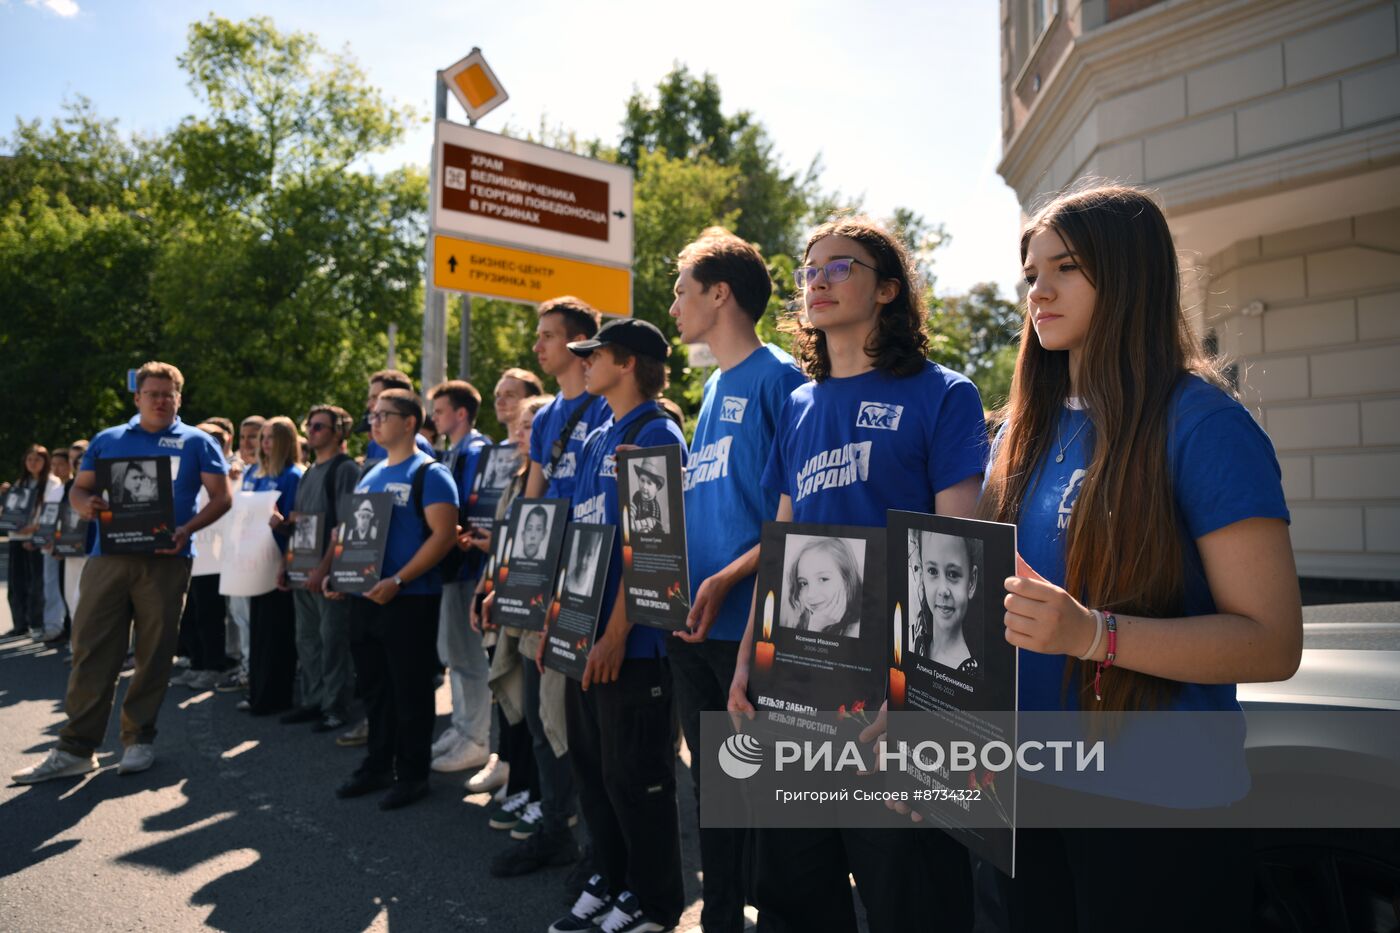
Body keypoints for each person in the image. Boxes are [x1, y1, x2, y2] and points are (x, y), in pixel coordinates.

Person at [975, 184, 1302, 932]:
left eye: (1066, 268)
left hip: (1160, 806)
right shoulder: (1018, 431)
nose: (1039, 290)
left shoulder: (1204, 425)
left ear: (1128, 275)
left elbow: (1272, 639)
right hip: (1025, 793)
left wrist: (1093, 633)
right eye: (1031, 273)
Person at [729, 218, 988, 932]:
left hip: (891, 706)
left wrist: (924, 705)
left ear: (889, 289)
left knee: (912, 901)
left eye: (840, 267)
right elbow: (781, 543)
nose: (817, 279)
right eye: (810, 269)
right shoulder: (800, 404)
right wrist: (750, 660)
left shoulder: (944, 394)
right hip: (800, 695)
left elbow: (958, 554)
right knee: (794, 900)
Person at [668, 227, 807, 933]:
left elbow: (797, 515)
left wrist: (729, 577)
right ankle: (720, 919)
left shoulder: (781, 379)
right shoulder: (715, 382)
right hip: (694, 627)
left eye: (681, 289)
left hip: (750, 631)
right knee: (712, 792)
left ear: (720, 293)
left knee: (759, 800)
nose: (673, 306)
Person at [13, 361, 230, 783]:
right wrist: (82, 504)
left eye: (169, 394)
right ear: (137, 397)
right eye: (152, 394)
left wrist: (187, 529)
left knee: (153, 653)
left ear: (179, 398)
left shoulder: (198, 442)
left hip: (169, 558)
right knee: (92, 648)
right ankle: (76, 748)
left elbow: (221, 498)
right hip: (109, 555)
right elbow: (80, 488)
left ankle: (138, 739)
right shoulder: (109, 439)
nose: (161, 401)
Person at [548, 318, 687, 933]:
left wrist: (615, 633)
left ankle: (653, 902)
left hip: (633, 644)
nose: (583, 362)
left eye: (593, 353)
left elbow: (655, 551)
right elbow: (583, 536)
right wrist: (567, 627)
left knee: (638, 778)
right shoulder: (600, 433)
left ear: (627, 363)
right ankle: (611, 875)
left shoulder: (657, 432)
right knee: (595, 772)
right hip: (588, 638)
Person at [329, 387, 458, 811]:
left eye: (385, 414)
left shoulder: (430, 473)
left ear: (409, 422)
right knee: (374, 688)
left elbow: (443, 538)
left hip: (409, 598)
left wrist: (399, 580)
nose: (375, 421)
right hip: (366, 596)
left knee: (411, 690)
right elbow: (355, 536)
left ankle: (413, 773)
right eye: (373, 415)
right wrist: (341, 571)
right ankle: (377, 764)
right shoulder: (371, 473)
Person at [426, 379, 494, 774]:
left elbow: (473, 508)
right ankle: (462, 725)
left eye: (440, 411)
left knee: (468, 656)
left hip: (468, 566)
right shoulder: (453, 451)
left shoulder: (478, 449)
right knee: (453, 652)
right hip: (452, 566)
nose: (434, 418)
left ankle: (477, 737)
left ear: (462, 413)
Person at [280, 405, 360, 732]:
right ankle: (313, 701)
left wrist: (324, 569)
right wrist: (287, 565)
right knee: (308, 640)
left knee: (333, 641)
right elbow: (300, 521)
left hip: (328, 575)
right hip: (303, 571)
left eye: (319, 427)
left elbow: (346, 525)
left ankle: (335, 707)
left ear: (338, 432)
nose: (310, 432)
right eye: (309, 426)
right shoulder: (310, 470)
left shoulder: (345, 470)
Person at [238, 416, 304, 716]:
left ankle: (275, 696)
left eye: (270, 437)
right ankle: (257, 693)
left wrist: (281, 527)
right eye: (262, 436)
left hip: (278, 560)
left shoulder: (293, 476)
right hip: (253, 558)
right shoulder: (253, 471)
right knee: (258, 630)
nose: (264, 443)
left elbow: (298, 525)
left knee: (277, 632)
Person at [170, 422, 237, 692]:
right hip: (193, 555)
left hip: (216, 558)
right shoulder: (191, 468)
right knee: (191, 614)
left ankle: (214, 666)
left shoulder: (231, 469)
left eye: (215, 439)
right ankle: (197, 664)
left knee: (211, 615)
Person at [4, 445, 58, 640]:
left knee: (37, 582)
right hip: (17, 537)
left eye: (37, 459)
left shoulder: (52, 483)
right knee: (16, 582)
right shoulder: (21, 482)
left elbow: (51, 511)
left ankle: (36, 622)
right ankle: (20, 624)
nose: (33, 463)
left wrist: (34, 529)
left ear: (45, 462)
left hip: (37, 538)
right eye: (29, 459)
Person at [910, 531, 978, 672]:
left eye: (953, 574)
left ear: (971, 582)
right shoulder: (918, 645)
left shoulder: (971, 675)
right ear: (922, 576)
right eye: (933, 571)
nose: (943, 590)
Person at [784, 535, 862, 637]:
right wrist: (815, 626)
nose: (810, 595)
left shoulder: (857, 631)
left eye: (823, 579)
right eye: (803, 583)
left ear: (847, 581)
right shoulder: (801, 619)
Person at [360, 370, 436, 470]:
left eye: (375, 397)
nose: (369, 405)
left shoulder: (419, 445)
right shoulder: (374, 446)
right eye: (369, 398)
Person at [628, 463, 666, 535]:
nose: (644, 486)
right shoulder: (637, 495)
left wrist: (633, 525)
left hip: (653, 535)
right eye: (642, 480)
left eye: (649, 483)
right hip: (636, 530)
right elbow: (632, 509)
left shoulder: (654, 506)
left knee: (645, 531)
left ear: (656, 488)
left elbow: (651, 522)